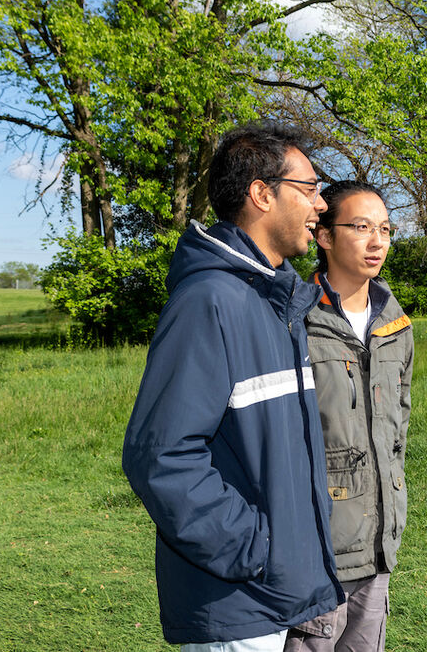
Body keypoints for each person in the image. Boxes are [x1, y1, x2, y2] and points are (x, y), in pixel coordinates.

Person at [123, 122, 344, 651]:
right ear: (262, 194)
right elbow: (161, 456)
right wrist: (254, 547)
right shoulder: (210, 301)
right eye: (310, 189)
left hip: (269, 595)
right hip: (235, 602)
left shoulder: (273, 302)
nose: (321, 207)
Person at [284, 182, 413, 652]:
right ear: (323, 235)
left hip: (377, 545)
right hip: (317, 550)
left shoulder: (395, 324)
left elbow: (398, 427)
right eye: (360, 227)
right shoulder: (293, 321)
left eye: (384, 229)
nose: (376, 241)